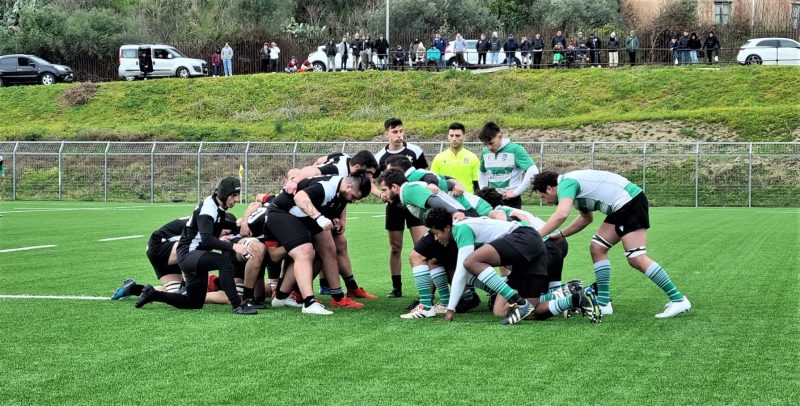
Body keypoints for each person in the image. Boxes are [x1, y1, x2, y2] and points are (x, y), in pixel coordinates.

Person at [532, 170, 691, 318]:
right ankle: (603, 303)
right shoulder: (571, 188)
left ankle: (678, 299)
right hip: (621, 207)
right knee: (597, 248)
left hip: (629, 203)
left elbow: (561, 214)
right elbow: (586, 218)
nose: (546, 202)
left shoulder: (565, 184)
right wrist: (561, 234)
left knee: (636, 258)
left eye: (543, 197)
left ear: (549, 188)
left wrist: (536, 236)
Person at [423, 208, 601, 324]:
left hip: (525, 236)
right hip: (532, 252)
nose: (436, 238)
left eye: (436, 233)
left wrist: (450, 309)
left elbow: (463, 270)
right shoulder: (466, 227)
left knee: (470, 262)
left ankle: (518, 301)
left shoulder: (460, 228)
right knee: (511, 312)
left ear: (447, 227)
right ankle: (576, 298)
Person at [135, 177, 256, 314]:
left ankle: (153, 294)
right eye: (234, 195)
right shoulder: (208, 209)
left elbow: (219, 224)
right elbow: (207, 240)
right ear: (224, 194)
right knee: (224, 261)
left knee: (194, 302)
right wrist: (235, 247)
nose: (236, 199)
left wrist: (236, 225)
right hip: (188, 254)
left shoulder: (216, 205)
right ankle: (237, 305)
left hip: (194, 255)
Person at [267, 175, 373, 314]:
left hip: (304, 216)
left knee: (327, 250)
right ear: (349, 186)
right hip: (282, 212)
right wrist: (319, 218)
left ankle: (336, 297)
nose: (352, 200)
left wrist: (335, 219)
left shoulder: (342, 193)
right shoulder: (327, 187)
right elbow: (299, 197)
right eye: (353, 196)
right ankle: (309, 303)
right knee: (305, 251)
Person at [374, 118, 428, 298]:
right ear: (386, 134)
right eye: (395, 132)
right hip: (394, 206)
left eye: (401, 131)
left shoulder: (414, 151)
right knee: (395, 247)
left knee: (422, 246)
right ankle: (397, 288)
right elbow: (371, 181)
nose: (399, 135)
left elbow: (424, 175)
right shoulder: (380, 156)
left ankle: (427, 288)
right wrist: (381, 194)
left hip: (414, 204)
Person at [477, 122, 537, 209]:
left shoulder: (516, 149)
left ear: (500, 136)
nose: (489, 147)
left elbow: (533, 171)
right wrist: (484, 191)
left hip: (510, 201)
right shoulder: (485, 151)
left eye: (491, 143)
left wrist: (516, 192)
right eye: (485, 144)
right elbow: (482, 172)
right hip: (492, 200)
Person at [431, 122, 480, 194]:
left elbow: (477, 184)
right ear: (448, 137)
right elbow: (433, 181)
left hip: (467, 200)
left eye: (457, 135)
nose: (454, 138)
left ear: (464, 137)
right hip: (446, 199)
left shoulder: (473, 158)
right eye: (451, 135)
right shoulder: (439, 158)